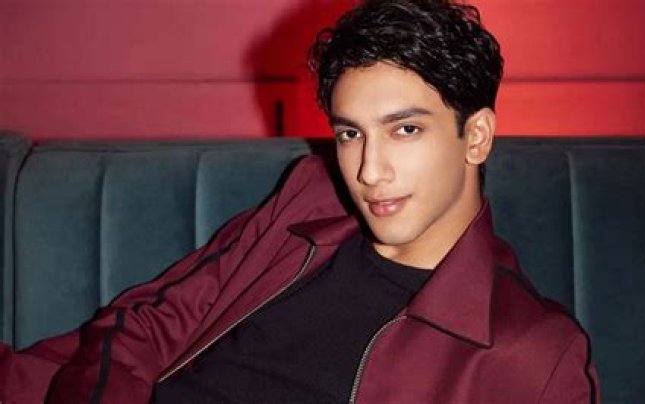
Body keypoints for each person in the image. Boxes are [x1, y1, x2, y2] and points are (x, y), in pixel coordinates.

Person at [0, 0, 600, 402]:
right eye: (350, 133)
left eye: (405, 129)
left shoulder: (536, 355)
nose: (368, 171)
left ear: (477, 136)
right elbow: (144, 323)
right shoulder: (311, 197)